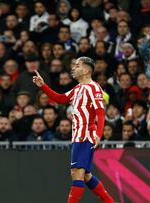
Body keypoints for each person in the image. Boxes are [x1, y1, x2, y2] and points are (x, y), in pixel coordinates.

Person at [33, 56, 114, 203]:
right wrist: (42, 86)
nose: (73, 68)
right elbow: (61, 99)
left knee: (76, 172)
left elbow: (101, 113)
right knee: (85, 175)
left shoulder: (94, 88)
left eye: (77, 65)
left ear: (86, 70)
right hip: (78, 136)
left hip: (86, 135)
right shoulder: (78, 88)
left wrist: (98, 134)